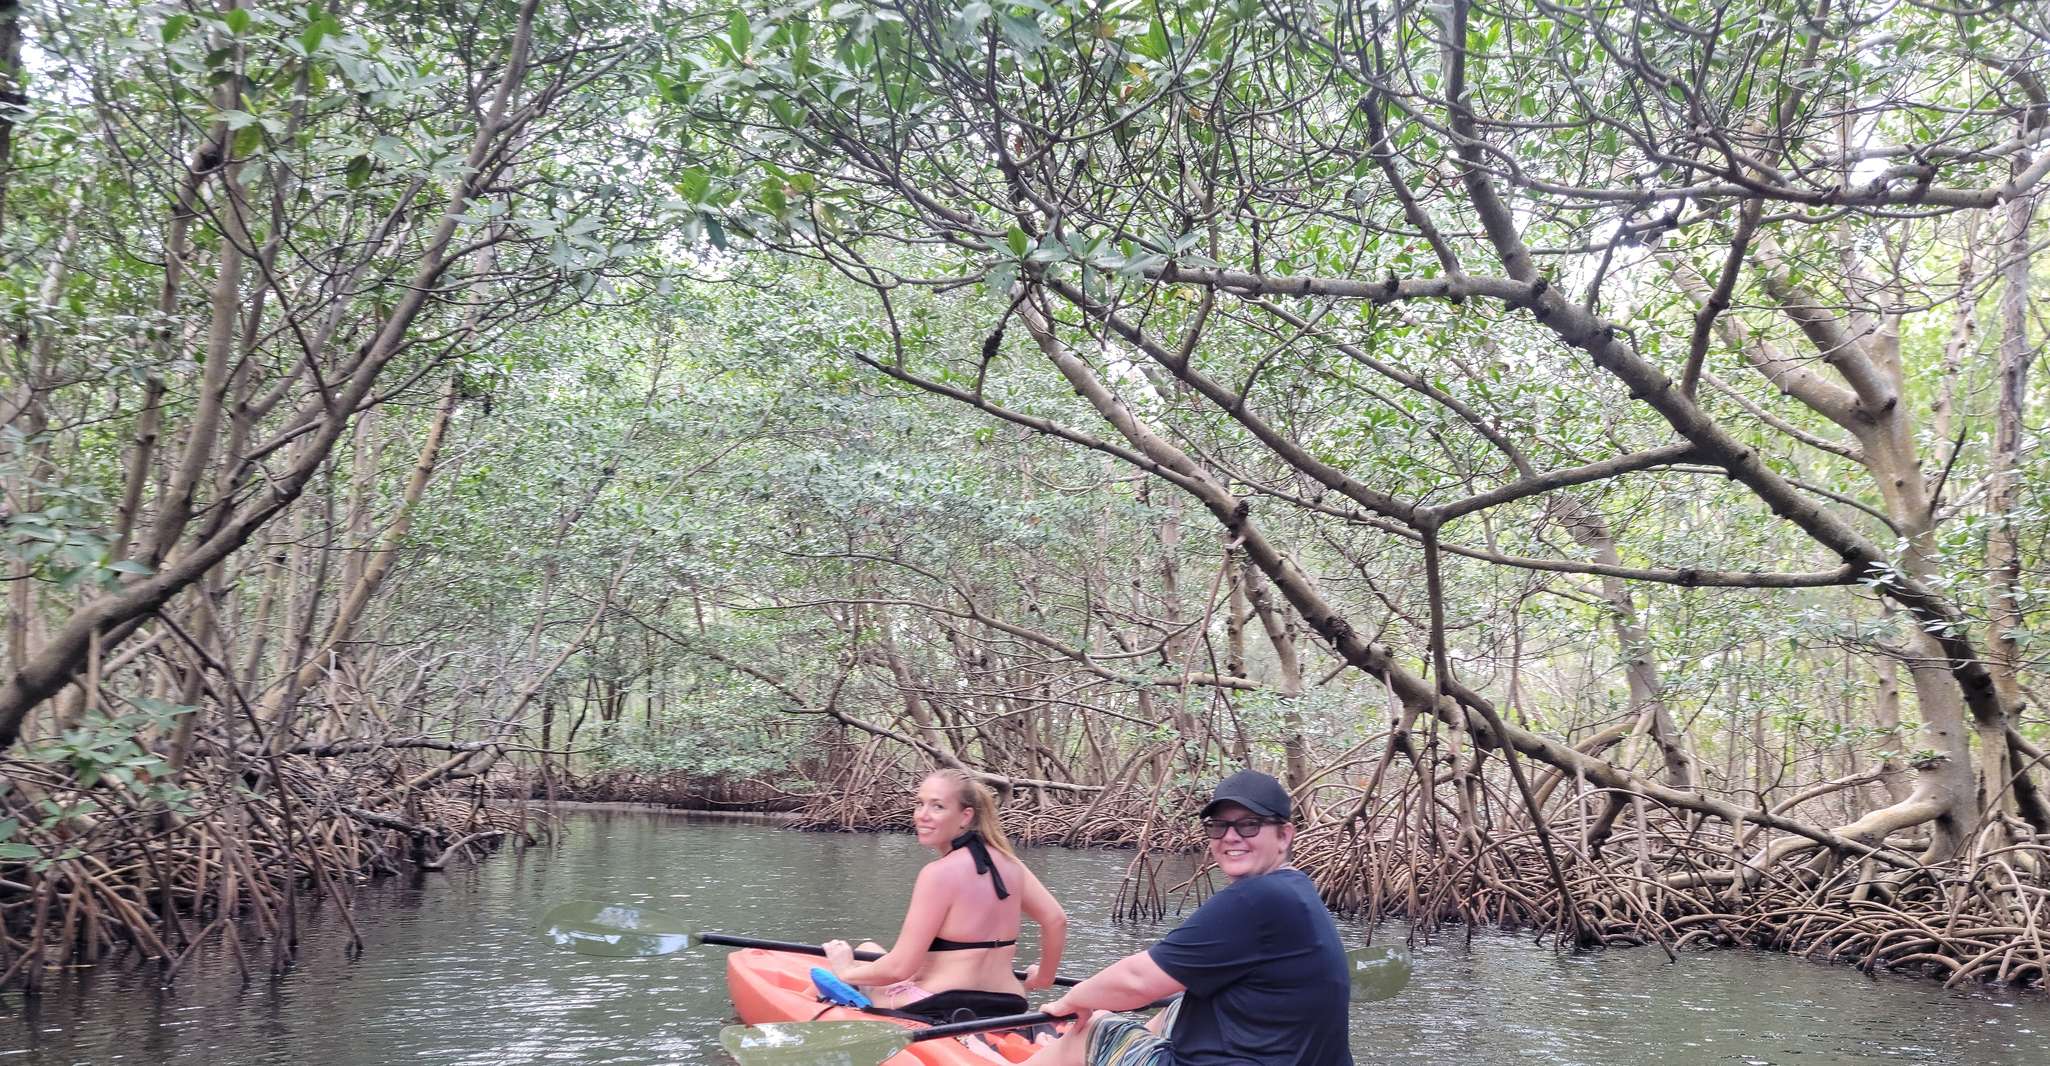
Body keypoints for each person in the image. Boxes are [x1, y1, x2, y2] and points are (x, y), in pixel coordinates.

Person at [1023, 769, 1352, 1066]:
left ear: (1284, 835)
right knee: (1181, 1004)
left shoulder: (1256, 898)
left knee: (1095, 1029)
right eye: (1218, 826)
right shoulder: (1297, 889)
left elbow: (1137, 980)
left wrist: (1073, 1000)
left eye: (1249, 824)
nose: (1231, 836)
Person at [820, 768, 1068, 1024]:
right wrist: (1044, 978)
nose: (922, 815)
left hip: (941, 1005)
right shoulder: (1012, 864)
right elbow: (1056, 920)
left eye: (937, 806)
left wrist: (845, 970)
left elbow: (899, 968)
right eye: (920, 804)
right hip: (1008, 1004)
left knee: (857, 961)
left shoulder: (938, 873)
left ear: (965, 816)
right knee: (868, 950)